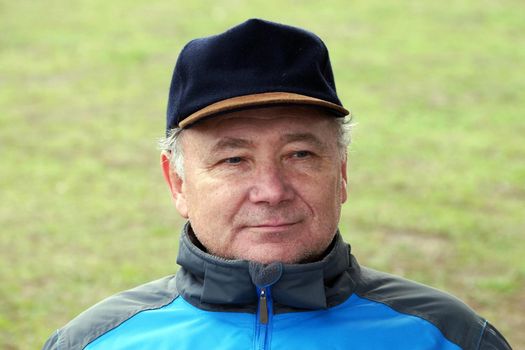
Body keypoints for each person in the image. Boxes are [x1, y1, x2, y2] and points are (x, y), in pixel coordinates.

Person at [43, 18, 512, 350]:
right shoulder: (93, 343)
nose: (271, 189)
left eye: (300, 155)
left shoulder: (449, 338)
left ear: (342, 173)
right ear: (178, 182)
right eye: (233, 159)